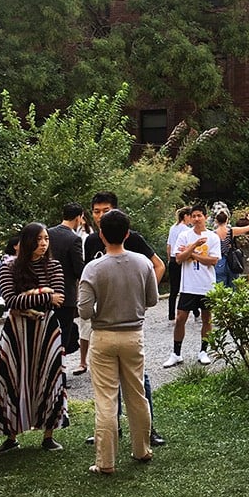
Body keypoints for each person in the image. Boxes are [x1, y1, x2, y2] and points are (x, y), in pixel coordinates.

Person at [83, 191, 168, 447]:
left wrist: (141, 296)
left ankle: (148, 431)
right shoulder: (91, 242)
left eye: (105, 210)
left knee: (140, 382)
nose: (100, 216)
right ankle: (112, 429)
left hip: (131, 323)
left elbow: (159, 265)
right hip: (103, 321)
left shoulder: (134, 240)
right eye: (96, 211)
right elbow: (89, 282)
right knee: (107, 386)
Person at [0, 222, 69, 452]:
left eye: (46, 239)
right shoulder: (9, 268)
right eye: (38, 239)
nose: (43, 244)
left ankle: (48, 434)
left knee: (49, 375)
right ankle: (11, 435)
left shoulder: (53, 266)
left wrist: (30, 297)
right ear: (26, 242)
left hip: (46, 329)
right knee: (13, 375)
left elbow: (59, 299)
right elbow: (10, 300)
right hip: (18, 332)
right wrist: (42, 294)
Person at [167, 204, 221, 367]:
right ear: (190, 218)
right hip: (188, 285)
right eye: (194, 216)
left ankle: (204, 351)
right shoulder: (184, 235)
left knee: (207, 318)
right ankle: (176, 353)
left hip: (206, 284)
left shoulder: (213, 237)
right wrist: (194, 246)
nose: (197, 219)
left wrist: (192, 254)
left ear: (205, 217)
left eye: (200, 215)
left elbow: (213, 260)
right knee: (180, 318)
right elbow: (178, 258)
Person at [47, 202, 86, 363]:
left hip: (46, 291)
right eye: (82, 218)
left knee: (48, 335)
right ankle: (59, 372)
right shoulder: (74, 239)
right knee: (63, 335)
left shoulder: (47, 234)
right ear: (77, 217)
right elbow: (79, 269)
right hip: (66, 293)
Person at [214, 209, 249, 288]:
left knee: (220, 287)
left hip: (219, 261)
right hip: (232, 260)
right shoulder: (231, 231)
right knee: (233, 285)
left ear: (216, 221)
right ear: (227, 220)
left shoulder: (213, 234)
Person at [166, 207, 190, 318]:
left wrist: (168, 259)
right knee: (186, 287)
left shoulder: (173, 228)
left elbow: (169, 245)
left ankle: (171, 314)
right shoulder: (186, 230)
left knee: (173, 289)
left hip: (172, 259)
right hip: (181, 260)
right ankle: (192, 310)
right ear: (185, 216)